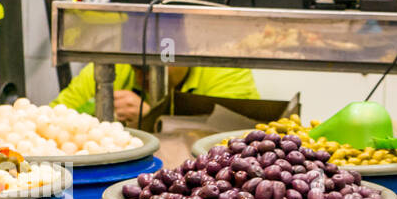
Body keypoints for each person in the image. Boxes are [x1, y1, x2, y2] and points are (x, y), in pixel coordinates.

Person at [53, 63, 259, 123]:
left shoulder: (227, 70)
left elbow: (238, 137)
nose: (144, 79)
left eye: (154, 69)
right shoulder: (108, 68)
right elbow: (49, 120)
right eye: (138, 70)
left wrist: (152, 118)